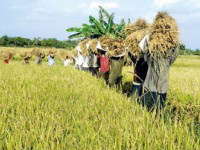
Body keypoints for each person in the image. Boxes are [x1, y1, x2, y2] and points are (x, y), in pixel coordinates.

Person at [139, 35, 178, 109]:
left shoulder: (151, 57)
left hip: (152, 87)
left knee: (146, 108)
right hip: (161, 88)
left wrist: (149, 44)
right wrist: (175, 45)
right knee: (159, 109)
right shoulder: (167, 60)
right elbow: (174, 55)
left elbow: (145, 53)